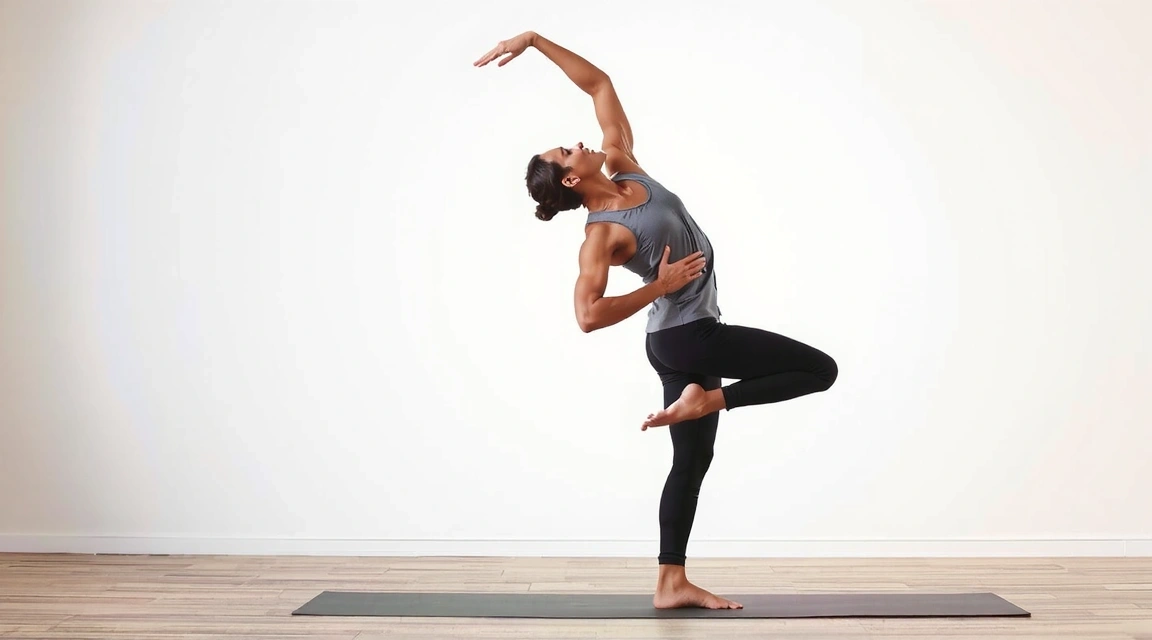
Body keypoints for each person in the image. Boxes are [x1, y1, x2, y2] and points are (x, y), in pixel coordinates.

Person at [474, 31, 839, 611]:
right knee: (821, 369)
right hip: (689, 339)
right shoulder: (602, 237)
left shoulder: (624, 167)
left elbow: (599, 85)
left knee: (691, 463)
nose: (576, 145)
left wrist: (535, 42)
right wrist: (659, 287)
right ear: (570, 180)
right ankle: (708, 400)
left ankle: (671, 581)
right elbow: (587, 316)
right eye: (566, 153)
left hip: (677, 343)